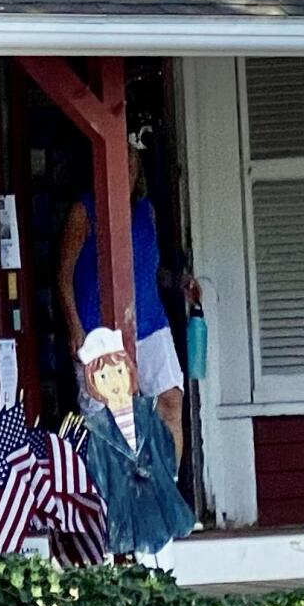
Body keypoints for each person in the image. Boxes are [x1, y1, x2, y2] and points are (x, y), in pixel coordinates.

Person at [58, 179, 185, 442]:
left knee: (170, 402)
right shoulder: (83, 210)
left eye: (132, 162)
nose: (126, 170)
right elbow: (63, 275)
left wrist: (179, 282)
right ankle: (116, 483)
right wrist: (74, 326)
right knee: (110, 418)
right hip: (98, 328)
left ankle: (166, 480)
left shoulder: (145, 211)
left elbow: (147, 269)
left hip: (150, 322)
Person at [76, 328, 195, 557]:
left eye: (120, 372)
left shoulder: (146, 413)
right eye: (103, 377)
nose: (114, 382)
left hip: (153, 490)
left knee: (164, 554)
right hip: (120, 499)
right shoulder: (98, 428)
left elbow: (162, 443)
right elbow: (97, 464)